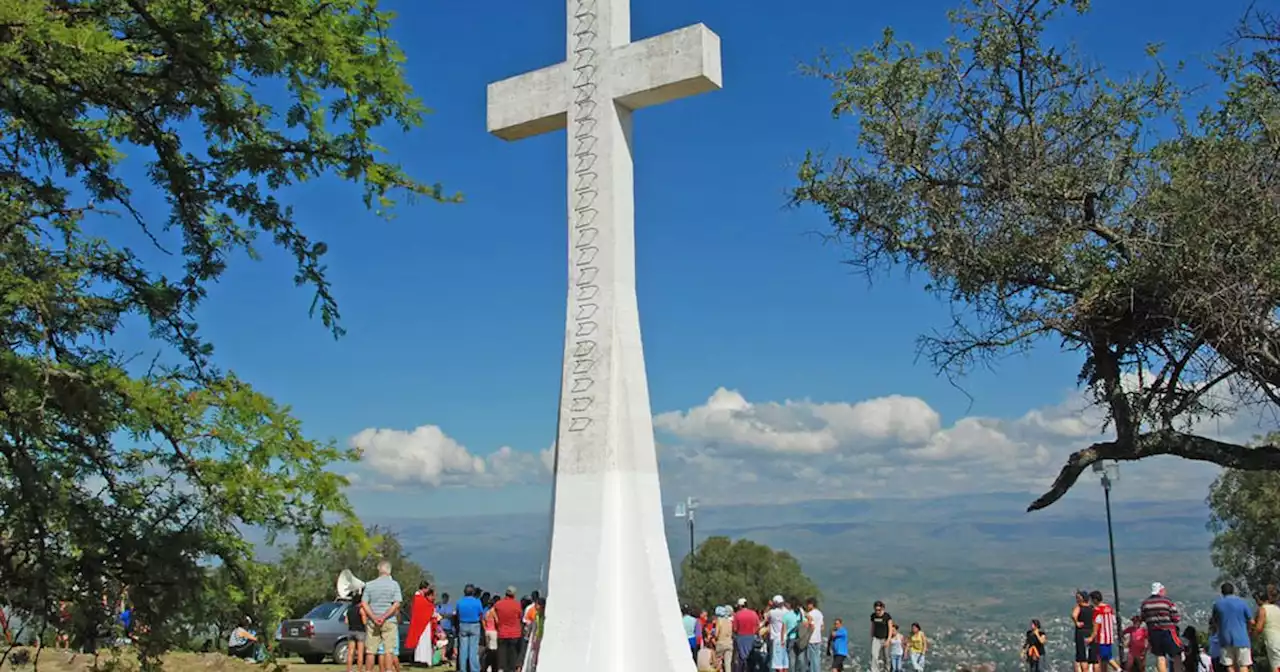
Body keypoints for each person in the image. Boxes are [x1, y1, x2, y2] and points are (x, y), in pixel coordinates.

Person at [362, 562, 404, 672]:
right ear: (389, 571)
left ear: (379, 570)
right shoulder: (394, 585)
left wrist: (374, 617)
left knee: (370, 651)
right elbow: (397, 603)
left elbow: (364, 603)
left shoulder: (369, 585)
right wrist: (384, 616)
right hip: (389, 620)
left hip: (373, 621)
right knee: (389, 650)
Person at [1212, 582, 1254, 672]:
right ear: (1233, 591)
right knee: (1243, 664)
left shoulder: (1217, 604)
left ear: (1222, 592)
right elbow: (1251, 621)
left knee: (1229, 665)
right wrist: (1248, 631)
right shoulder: (1242, 603)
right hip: (1242, 638)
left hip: (1225, 638)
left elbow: (1214, 622)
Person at [1142, 583, 1184, 672]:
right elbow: (1176, 618)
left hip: (1153, 632)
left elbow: (1143, 618)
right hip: (1168, 631)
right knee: (1176, 654)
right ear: (1161, 591)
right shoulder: (1167, 602)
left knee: (1160, 656)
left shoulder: (1145, 603)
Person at [494, 587, 523, 672]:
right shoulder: (517, 605)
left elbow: (495, 616)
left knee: (502, 655)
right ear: (514, 594)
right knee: (512, 655)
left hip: (502, 633)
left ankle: (501, 669)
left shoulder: (498, 604)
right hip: (514, 634)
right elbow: (520, 616)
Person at [1090, 590, 1121, 672]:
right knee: (1105, 659)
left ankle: (1119, 669)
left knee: (1106, 657)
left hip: (1101, 638)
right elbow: (1114, 621)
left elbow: (1096, 625)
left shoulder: (1097, 610)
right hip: (1109, 637)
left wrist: (1091, 637)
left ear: (1095, 600)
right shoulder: (1109, 608)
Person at [1253, 584, 1280, 672]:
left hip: (1273, 641)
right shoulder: (1277, 608)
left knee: (1276, 667)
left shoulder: (1263, 609)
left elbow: (1259, 628)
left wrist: (1253, 637)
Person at [456, 586, 484, 672]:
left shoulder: (460, 602)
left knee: (463, 650)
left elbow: (457, 614)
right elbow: (481, 614)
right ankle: (474, 669)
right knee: (473, 650)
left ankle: (463, 669)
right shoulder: (477, 601)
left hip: (463, 624)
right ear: (473, 592)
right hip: (474, 625)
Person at [408, 582, 436, 666]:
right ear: (424, 588)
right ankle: (422, 659)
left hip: (424, 623)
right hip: (421, 623)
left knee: (424, 642)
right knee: (422, 641)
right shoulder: (418, 598)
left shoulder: (421, 598)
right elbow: (425, 608)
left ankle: (424, 659)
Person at [733, 599, 762, 672]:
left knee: (741, 658)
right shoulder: (753, 613)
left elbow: (735, 628)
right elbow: (758, 626)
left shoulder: (737, 615)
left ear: (740, 606)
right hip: (751, 637)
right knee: (751, 657)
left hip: (741, 638)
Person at [767, 596, 790, 672]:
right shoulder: (787, 612)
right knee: (784, 661)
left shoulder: (772, 612)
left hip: (776, 638)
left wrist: (770, 606)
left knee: (777, 663)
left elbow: (766, 618)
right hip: (785, 638)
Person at [347, 591, 368, 672]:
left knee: (350, 652)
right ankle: (359, 670)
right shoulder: (361, 610)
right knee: (360, 653)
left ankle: (349, 670)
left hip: (351, 631)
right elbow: (364, 622)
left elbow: (346, 621)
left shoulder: (349, 610)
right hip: (360, 632)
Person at [1077, 592, 1097, 672]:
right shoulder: (1092, 608)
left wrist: (1076, 622)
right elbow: (1096, 622)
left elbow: (1073, 615)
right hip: (1091, 632)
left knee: (1082, 658)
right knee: (1094, 659)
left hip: (1082, 633)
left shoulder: (1079, 607)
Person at [871, 601, 893, 672]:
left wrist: (888, 640)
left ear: (882, 608)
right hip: (876, 638)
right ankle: (875, 670)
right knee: (874, 655)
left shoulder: (887, 616)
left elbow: (890, 629)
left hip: (885, 638)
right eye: (876, 610)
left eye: (879, 610)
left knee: (886, 657)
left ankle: (887, 669)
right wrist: (872, 635)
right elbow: (873, 626)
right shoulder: (873, 616)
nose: (877, 611)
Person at [805, 598, 825, 672]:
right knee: (817, 658)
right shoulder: (820, 613)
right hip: (818, 638)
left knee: (811, 658)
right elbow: (822, 627)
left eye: (807, 604)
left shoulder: (810, 614)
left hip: (811, 638)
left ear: (811, 604)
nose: (807, 606)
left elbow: (808, 626)